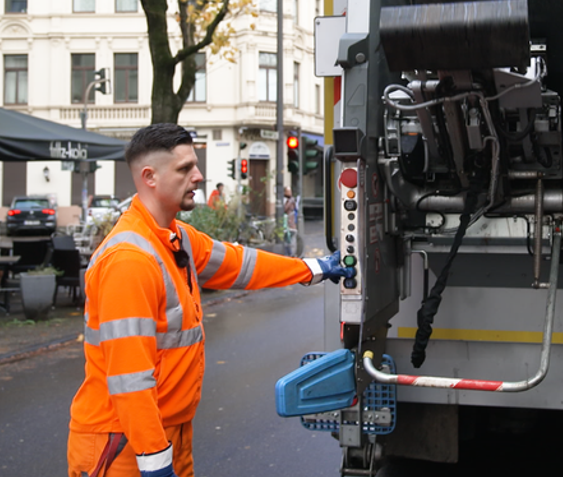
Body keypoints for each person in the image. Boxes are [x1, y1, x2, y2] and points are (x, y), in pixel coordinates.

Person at [66, 123, 353, 477]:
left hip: (162, 433)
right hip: (123, 444)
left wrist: (315, 268)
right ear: (149, 177)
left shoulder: (175, 237)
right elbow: (130, 378)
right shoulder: (129, 261)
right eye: (185, 168)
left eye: (196, 165)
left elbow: (241, 265)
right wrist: (154, 460)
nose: (199, 176)